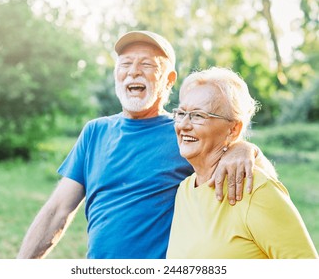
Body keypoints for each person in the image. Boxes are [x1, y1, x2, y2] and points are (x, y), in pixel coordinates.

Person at [17, 31, 261, 259]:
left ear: (169, 80)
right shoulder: (95, 132)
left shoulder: (185, 133)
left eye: (147, 65)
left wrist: (244, 149)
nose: (133, 72)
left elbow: (252, 172)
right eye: (125, 64)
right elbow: (57, 210)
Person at [166, 67, 319, 259]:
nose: (183, 125)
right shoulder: (185, 190)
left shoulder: (255, 189)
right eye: (181, 113)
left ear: (233, 129)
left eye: (198, 115)